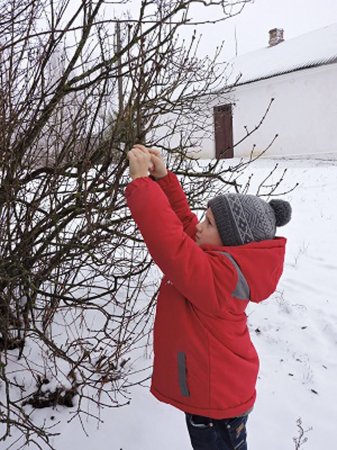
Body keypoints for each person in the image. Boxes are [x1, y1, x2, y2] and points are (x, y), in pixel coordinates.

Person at [125, 144, 292, 450]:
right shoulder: (220, 262)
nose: (200, 225)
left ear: (230, 242)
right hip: (219, 394)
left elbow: (172, 245)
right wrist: (163, 180)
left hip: (217, 405)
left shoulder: (218, 280)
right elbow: (186, 228)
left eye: (210, 223)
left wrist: (142, 186)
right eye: (206, 218)